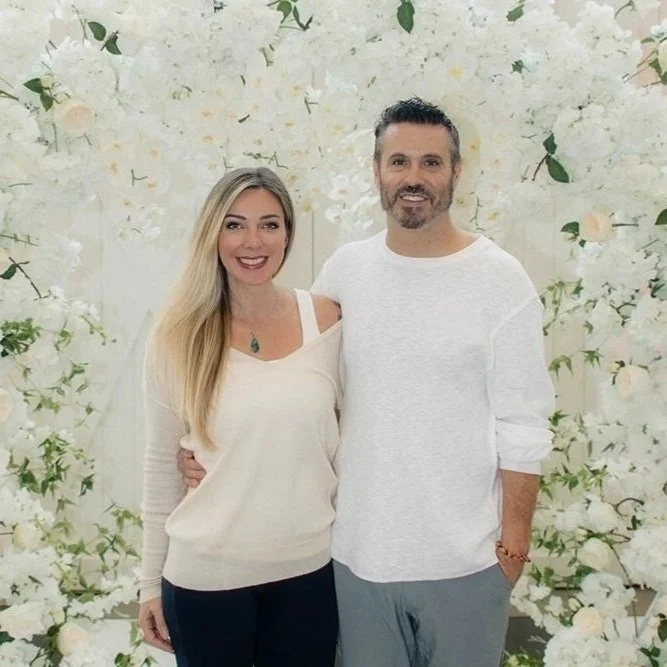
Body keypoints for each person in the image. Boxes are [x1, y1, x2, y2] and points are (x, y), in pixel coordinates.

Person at [180, 98, 555, 667]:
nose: (413, 177)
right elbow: (295, 395)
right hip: (356, 563)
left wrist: (515, 544)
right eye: (398, 161)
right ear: (376, 171)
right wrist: (209, 450)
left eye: (431, 162)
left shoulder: (500, 280)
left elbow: (524, 422)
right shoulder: (345, 272)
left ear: (456, 172)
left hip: (467, 563)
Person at [138, 166, 342, 667]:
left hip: (309, 574)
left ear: (288, 234)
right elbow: (160, 464)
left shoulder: (327, 320)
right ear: (213, 233)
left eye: (269, 224)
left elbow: (355, 434)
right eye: (235, 224)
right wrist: (148, 583)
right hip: (206, 579)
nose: (253, 241)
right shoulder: (177, 335)